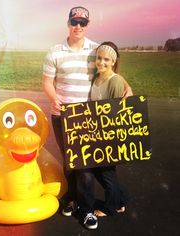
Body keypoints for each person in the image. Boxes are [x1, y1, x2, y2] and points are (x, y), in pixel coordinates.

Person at [42, 6, 132, 230]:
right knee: (70, 162)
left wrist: (127, 89)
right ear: (68, 23)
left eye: (83, 23)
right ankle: (73, 199)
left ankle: (87, 209)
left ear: (88, 25)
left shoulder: (95, 49)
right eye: (74, 22)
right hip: (62, 115)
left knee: (85, 165)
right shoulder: (54, 51)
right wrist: (53, 98)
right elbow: (46, 82)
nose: (78, 27)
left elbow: (112, 70)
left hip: (88, 117)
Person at [76, 41, 130, 225]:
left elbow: (117, 112)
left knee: (106, 173)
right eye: (99, 58)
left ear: (113, 61)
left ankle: (110, 207)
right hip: (96, 133)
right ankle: (120, 201)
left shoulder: (114, 80)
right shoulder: (96, 77)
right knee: (103, 172)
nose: (102, 62)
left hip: (108, 135)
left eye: (106, 59)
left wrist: (110, 138)